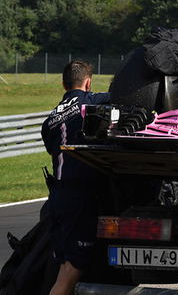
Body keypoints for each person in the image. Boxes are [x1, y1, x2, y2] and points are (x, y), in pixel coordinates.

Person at [40, 60, 110, 295]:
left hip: (56, 197)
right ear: (88, 83)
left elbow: (53, 150)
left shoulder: (49, 120)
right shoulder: (92, 102)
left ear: (63, 84)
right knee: (73, 270)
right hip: (78, 197)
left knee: (64, 267)